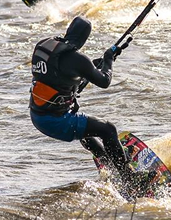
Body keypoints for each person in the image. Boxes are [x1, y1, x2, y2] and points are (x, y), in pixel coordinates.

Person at [29, 16, 136, 186]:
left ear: (69, 30)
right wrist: (108, 59)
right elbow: (104, 81)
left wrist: (91, 68)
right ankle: (130, 179)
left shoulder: (44, 45)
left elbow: (58, 75)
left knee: (86, 131)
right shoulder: (77, 59)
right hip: (54, 121)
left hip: (37, 114)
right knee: (108, 130)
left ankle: (109, 163)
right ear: (85, 38)